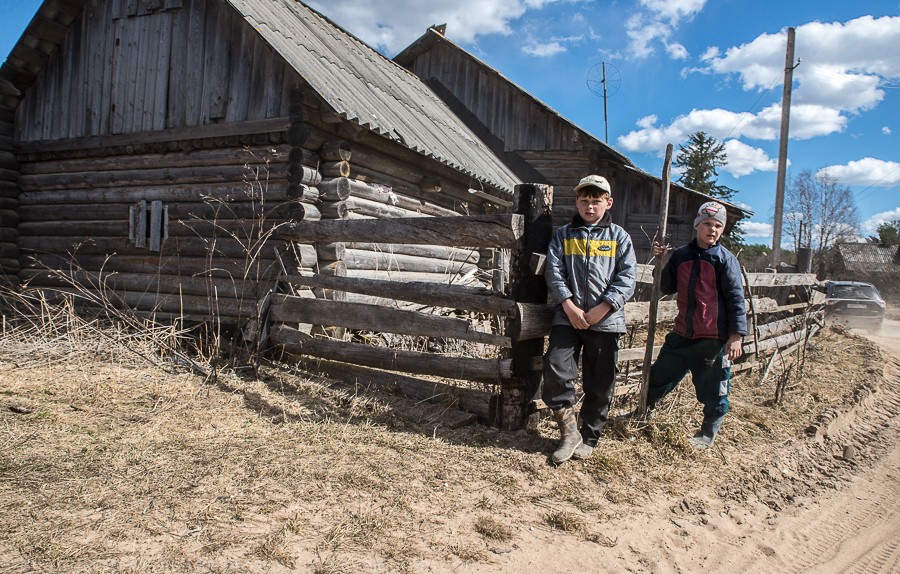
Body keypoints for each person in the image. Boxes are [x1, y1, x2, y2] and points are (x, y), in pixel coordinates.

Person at [543, 174, 637, 464]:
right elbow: (554, 272)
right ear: (577, 202)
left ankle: (590, 436)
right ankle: (569, 432)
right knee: (556, 367)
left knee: (600, 381)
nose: (590, 206)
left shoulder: (619, 237)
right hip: (567, 318)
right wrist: (569, 306)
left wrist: (604, 308)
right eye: (584, 201)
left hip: (605, 321)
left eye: (596, 201)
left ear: (608, 203)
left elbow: (627, 278)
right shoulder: (563, 234)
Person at [644, 201, 747, 450]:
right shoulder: (681, 255)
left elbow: (735, 298)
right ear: (697, 225)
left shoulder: (725, 260)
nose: (712, 230)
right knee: (658, 377)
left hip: (713, 338)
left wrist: (736, 336)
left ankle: (707, 433)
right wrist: (662, 261)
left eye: (718, 225)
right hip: (682, 333)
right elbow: (666, 287)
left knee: (714, 388)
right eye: (707, 224)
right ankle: (642, 413)